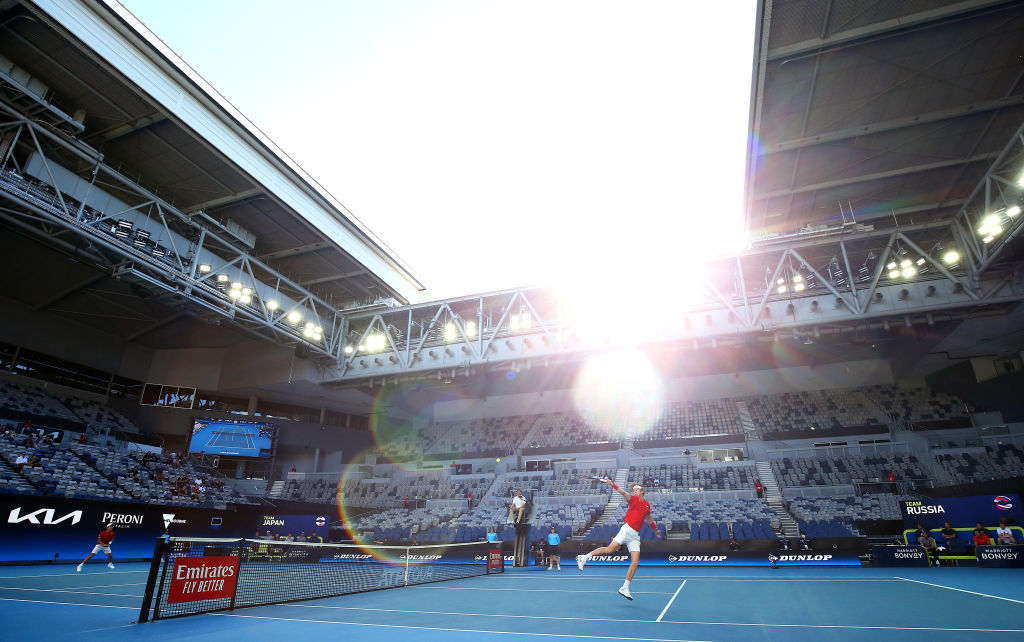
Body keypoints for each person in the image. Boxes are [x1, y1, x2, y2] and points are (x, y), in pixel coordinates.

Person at [577, 480, 661, 601]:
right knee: (610, 549)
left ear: (642, 491)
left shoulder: (647, 505)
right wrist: (612, 484)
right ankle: (584, 557)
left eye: (636, 490)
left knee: (635, 562)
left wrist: (655, 530)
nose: (634, 491)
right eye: (634, 490)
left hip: (634, 536)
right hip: (627, 529)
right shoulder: (632, 499)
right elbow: (622, 492)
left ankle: (625, 587)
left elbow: (649, 518)